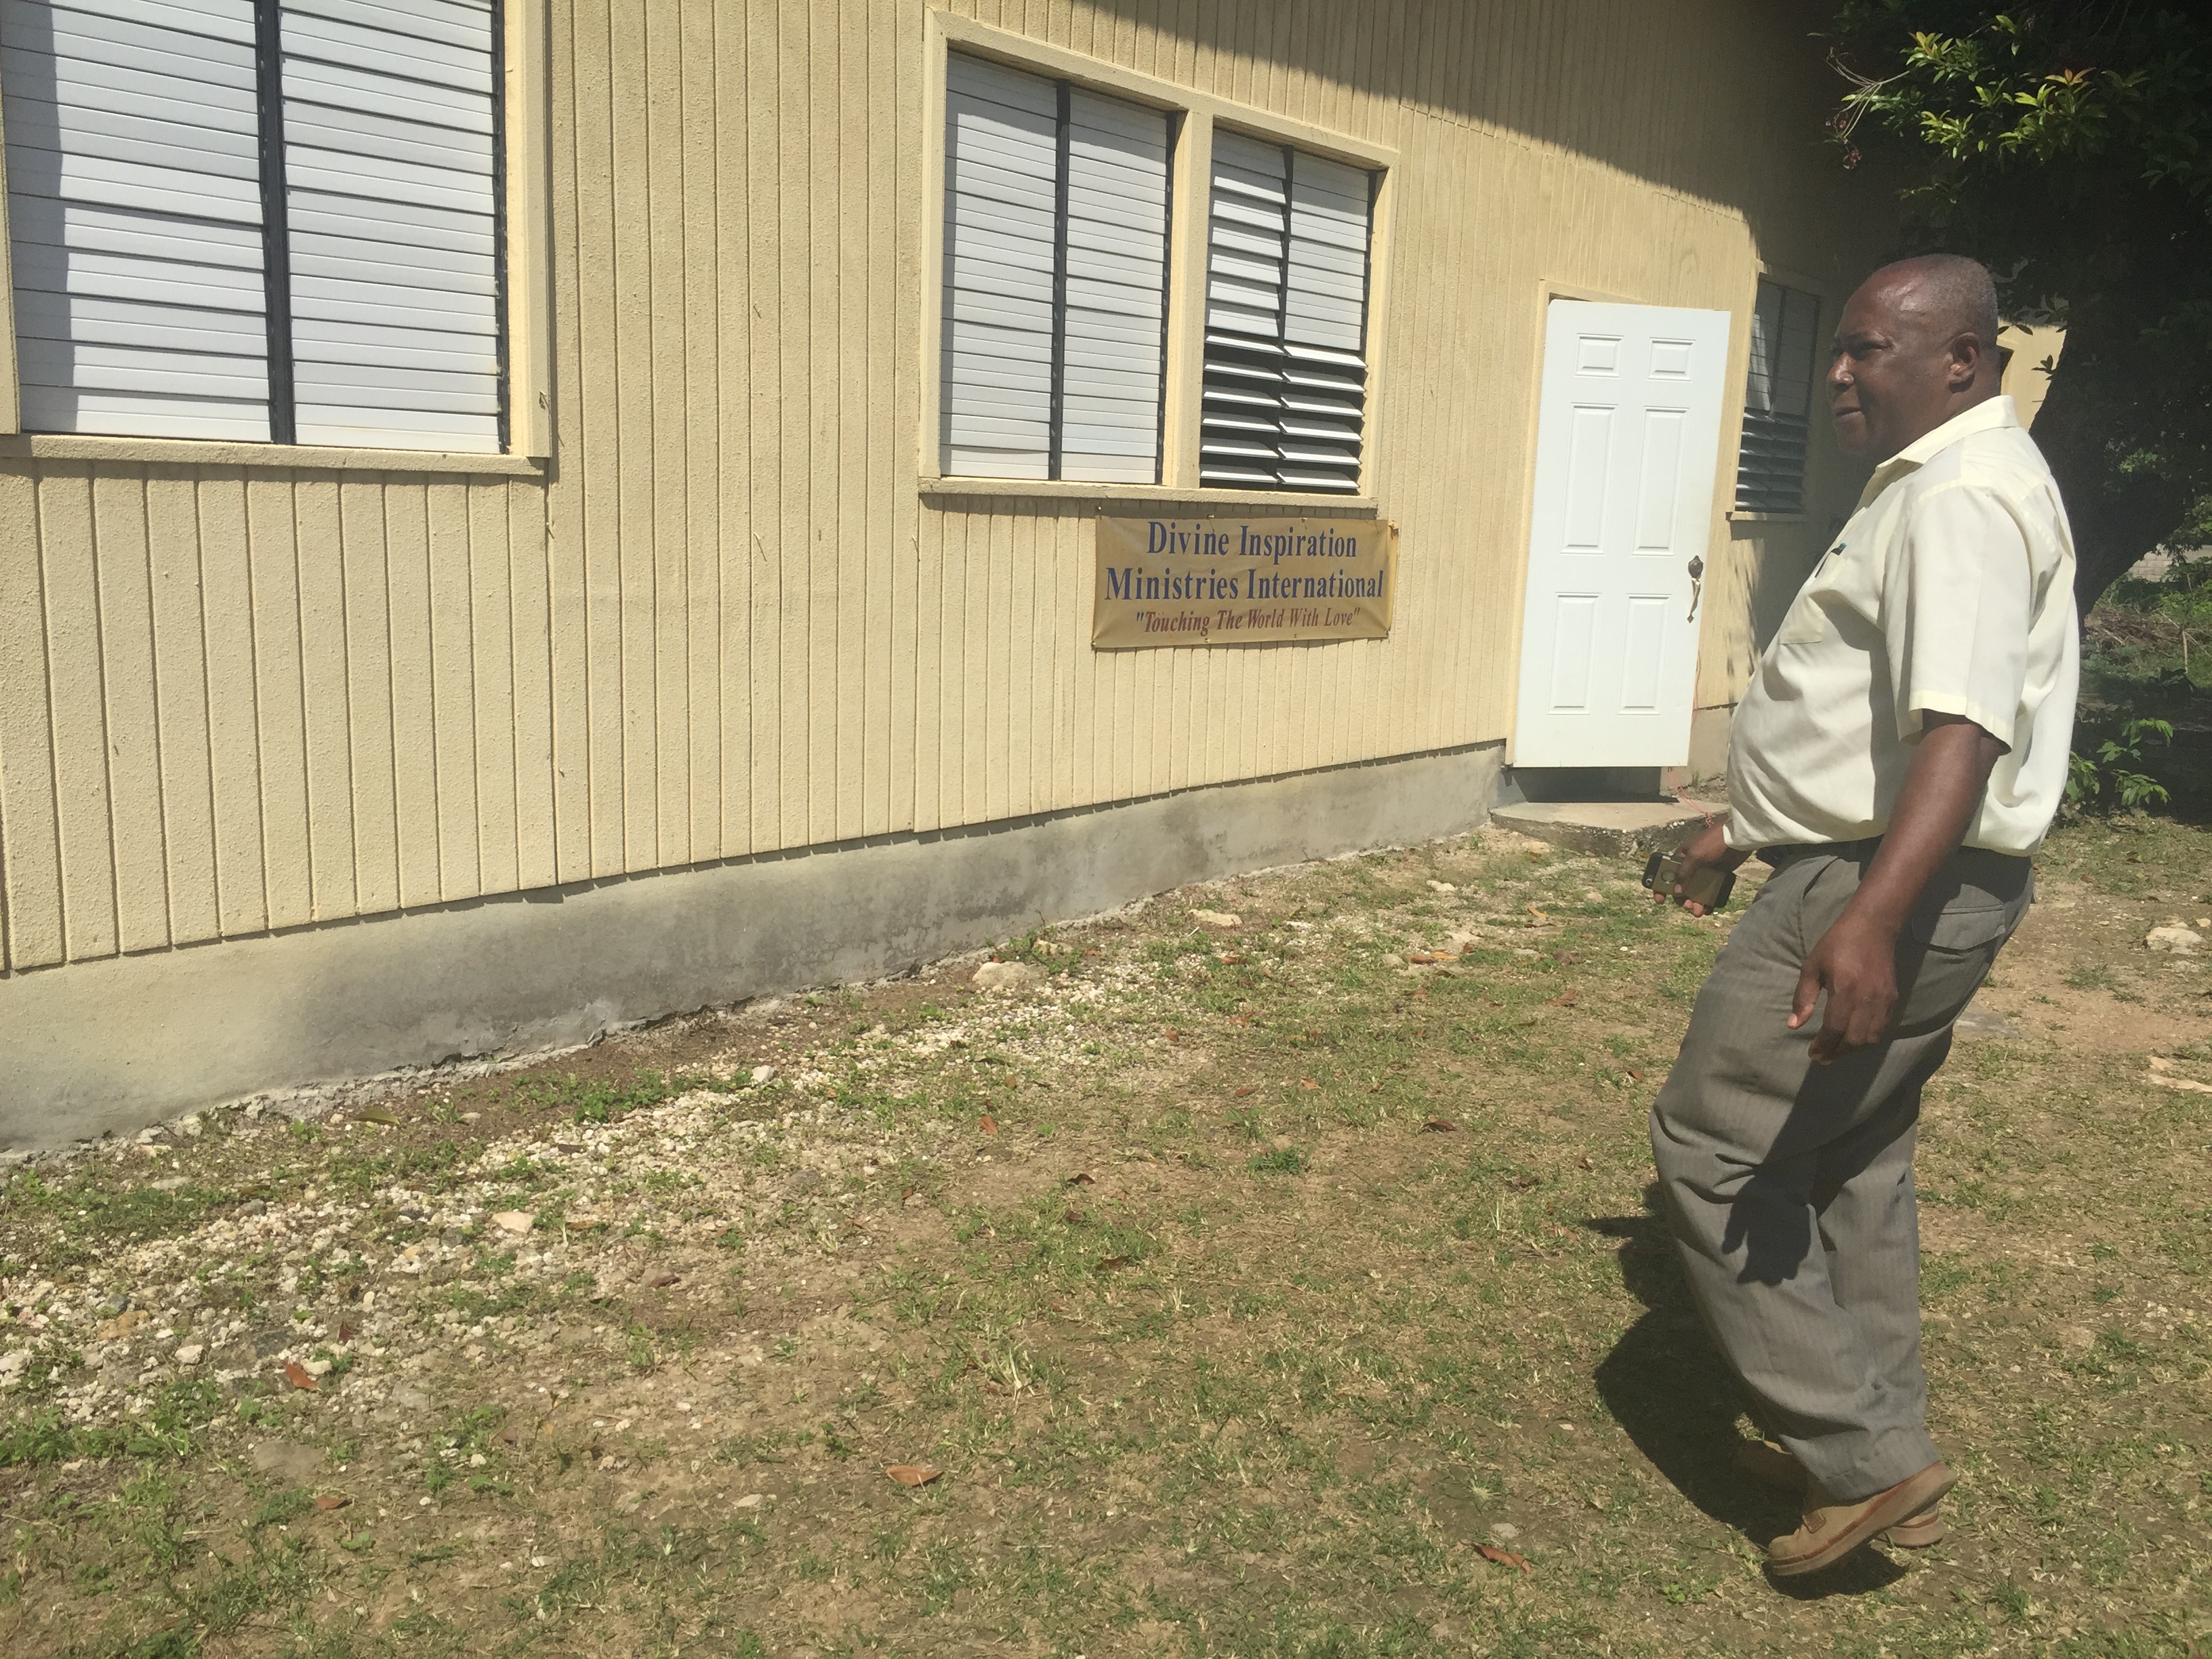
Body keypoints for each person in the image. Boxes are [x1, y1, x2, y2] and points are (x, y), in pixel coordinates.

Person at [1650, 253, 2078, 1577]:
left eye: (1868, 350)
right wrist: (1741, 828)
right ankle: (1883, 1453)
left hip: (1882, 885)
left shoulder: (1959, 497)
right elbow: (1867, 732)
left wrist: (1872, 920)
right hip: (1895, 870)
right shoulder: (1949, 478)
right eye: (1836, 348)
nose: (1837, 373)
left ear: (1961, 361)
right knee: (1853, 1160)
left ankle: (1864, 1462)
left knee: (1714, 1148)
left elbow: (1961, 733)